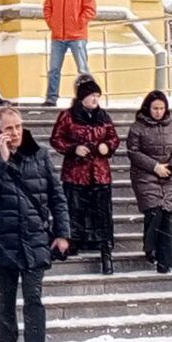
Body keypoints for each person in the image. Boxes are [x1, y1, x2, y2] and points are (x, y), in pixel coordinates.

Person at [0, 105, 70, 342]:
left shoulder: (39, 156)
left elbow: (57, 197)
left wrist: (62, 233)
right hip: (1, 241)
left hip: (34, 239)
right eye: (8, 129)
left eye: (18, 127)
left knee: (34, 300)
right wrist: (1, 161)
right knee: (5, 302)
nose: (15, 133)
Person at [50, 75, 120, 275]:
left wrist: (108, 146)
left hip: (99, 173)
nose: (95, 99)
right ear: (82, 97)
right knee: (74, 209)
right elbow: (56, 138)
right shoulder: (68, 116)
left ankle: (104, 247)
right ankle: (72, 241)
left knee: (101, 212)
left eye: (97, 95)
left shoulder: (104, 117)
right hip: (75, 173)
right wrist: (73, 149)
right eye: (92, 95)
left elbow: (113, 137)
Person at [127, 90, 172, 273]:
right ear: (148, 108)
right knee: (154, 211)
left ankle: (165, 261)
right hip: (145, 175)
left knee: (167, 214)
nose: (158, 112)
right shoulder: (137, 127)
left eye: (161, 108)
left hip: (168, 175)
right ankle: (150, 247)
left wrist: (171, 165)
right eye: (155, 108)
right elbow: (133, 152)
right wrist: (155, 167)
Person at [42, 0, 97, 106]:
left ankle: (87, 97)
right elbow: (48, 6)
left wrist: (79, 23)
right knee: (53, 69)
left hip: (77, 35)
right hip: (58, 35)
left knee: (83, 69)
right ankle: (51, 97)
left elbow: (90, 9)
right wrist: (52, 23)